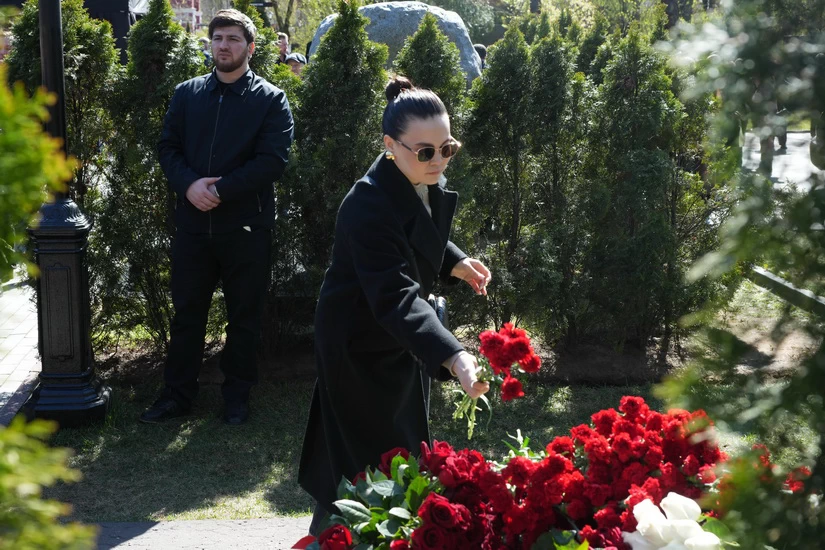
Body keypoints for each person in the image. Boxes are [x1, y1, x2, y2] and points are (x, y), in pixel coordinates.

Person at [298, 76, 491, 535]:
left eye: (447, 148)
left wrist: (454, 261)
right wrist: (455, 355)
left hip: (395, 337)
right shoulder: (366, 204)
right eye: (426, 152)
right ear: (390, 146)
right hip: (356, 347)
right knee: (364, 469)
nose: (438, 160)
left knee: (390, 461)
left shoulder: (412, 172)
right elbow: (396, 294)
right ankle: (330, 540)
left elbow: (414, 229)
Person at [141, 9, 294, 425]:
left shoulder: (270, 100)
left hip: (246, 228)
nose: (224, 45)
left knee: (244, 318)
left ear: (251, 48)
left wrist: (219, 191)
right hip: (192, 226)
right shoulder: (187, 94)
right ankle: (176, 397)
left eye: (232, 39)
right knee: (186, 315)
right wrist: (189, 185)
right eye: (218, 38)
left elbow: (272, 162)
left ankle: (237, 399)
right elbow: (168, 147)